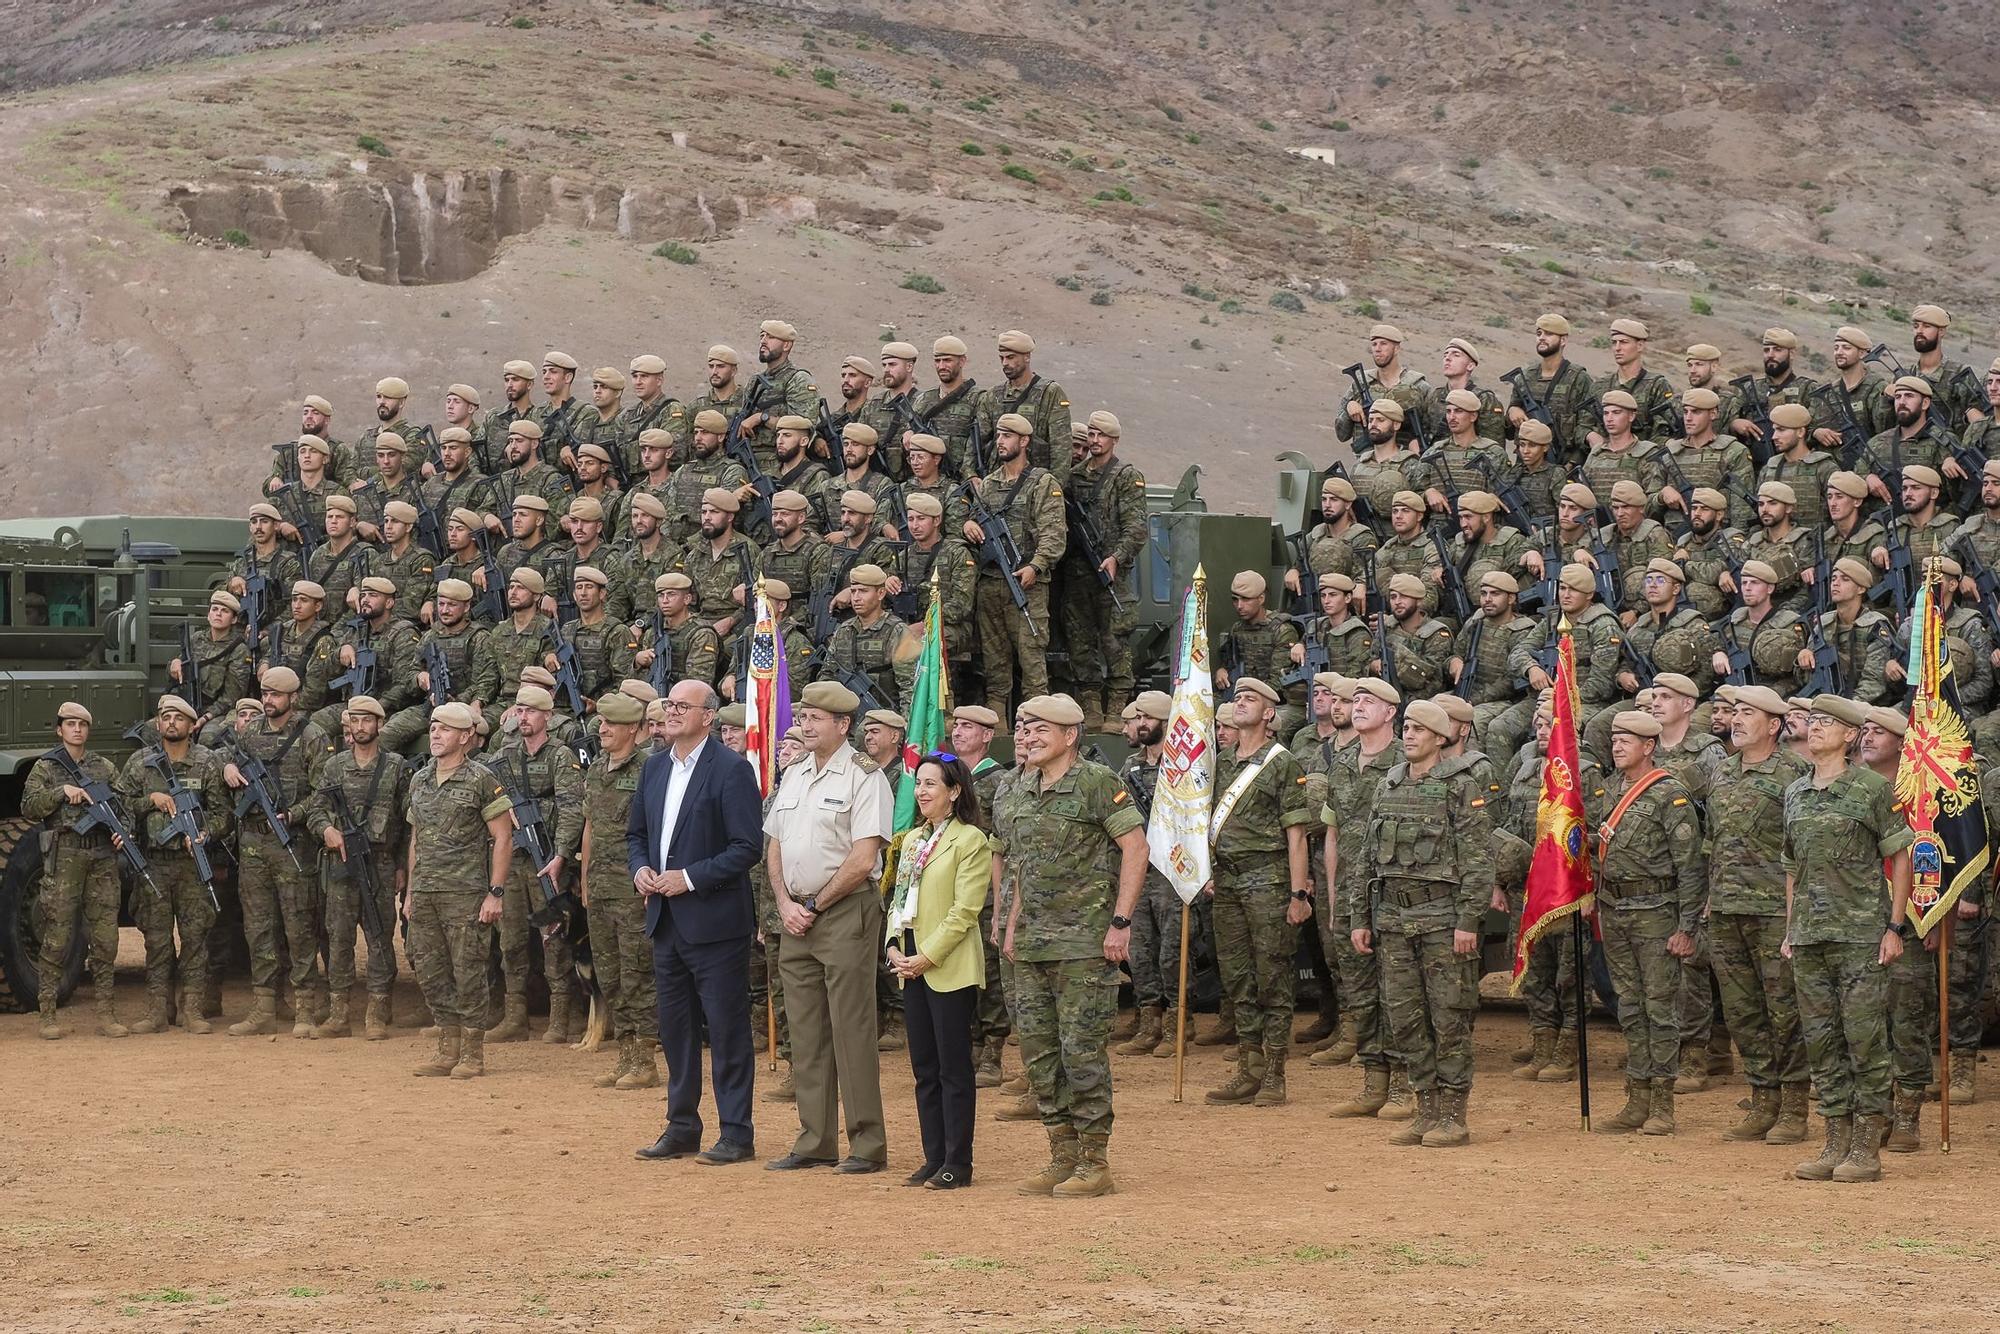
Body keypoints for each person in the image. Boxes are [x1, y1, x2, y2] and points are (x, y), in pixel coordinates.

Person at [995, 693, 1149, 1198]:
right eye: (1022, 727)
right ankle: (1061, 1153)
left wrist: (1121, 922)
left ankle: (1094, 1160)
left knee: (1081, 1053)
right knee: (1038, 1056)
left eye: (1040, 729)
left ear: (1070, 736)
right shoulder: (1014, 787)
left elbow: (1135, 847)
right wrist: (1008, 924)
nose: (1027, 736)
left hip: (1083, 943)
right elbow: (1014, 864)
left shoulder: (1097, 783)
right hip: (1030, 945)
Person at [626, 680, 764, 1165]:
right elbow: (637, 834)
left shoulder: (731, 771)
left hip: (716, 923)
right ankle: (681, 1125)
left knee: (727, 1031)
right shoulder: (654, 767)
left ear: (709, 716)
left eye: (683, 706)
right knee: (676, 1029)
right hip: (665, 922)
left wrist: (688, 877)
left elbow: (747, 848)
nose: (672, 712)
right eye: (669, 705)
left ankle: (736, 1133)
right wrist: (639, 868)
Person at [764, 681, 894, 1172]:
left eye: (817, 718)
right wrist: (785, 902)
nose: (805, 724)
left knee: (851, 1029)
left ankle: (866, 1144)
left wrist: (815, 904)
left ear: (844, 725)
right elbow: (774, 843)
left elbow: (864, 859)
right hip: (795, 915)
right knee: (806, 1031)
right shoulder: (794, 772)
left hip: (843, 913)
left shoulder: (865, 777)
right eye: (803, 716)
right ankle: (815, 1140)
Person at [1782, 694, 1913, 1183]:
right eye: (1812, 721)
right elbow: (1791, 866)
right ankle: (1834, 1138)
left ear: (1851, 735)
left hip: (1860, 935)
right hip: (1810, 937)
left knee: (1864, 1040)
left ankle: (1865, 1145)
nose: (1815, 728)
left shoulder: (1871, 789)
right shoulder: (1795, 792)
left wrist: (1895, 927)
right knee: (1821, 1040)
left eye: (1827, 723)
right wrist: (1791, 928)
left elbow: (1899, 858)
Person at [1355, 698, 1495, 1146]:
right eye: (1408, 728)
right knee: (1405, 1018)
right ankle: (1426, 1107)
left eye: (1419, 729)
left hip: (1442, 920)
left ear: (1440, 738)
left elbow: (1478, 861)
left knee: (1448, 1016)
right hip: (1393, 919)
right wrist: (1361, 916)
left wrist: (1469, 921)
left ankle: (1453, 1113)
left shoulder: (1460, 786)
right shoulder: (1389, 784)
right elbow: (1366, 859)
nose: (1410, 735)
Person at [884, 753, 993, 1189]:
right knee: (924, 1068)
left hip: (946, 967)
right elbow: (898, 898)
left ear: (955, 792)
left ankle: (958, 1162)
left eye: (932, 784)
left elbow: (965, 911)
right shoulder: (912, 840)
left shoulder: (971, 841)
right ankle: (933, 1157)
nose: (923, 791)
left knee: (953, 1069)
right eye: (920, 783)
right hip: (909, 965)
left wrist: (925, 955)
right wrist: (893, 944)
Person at [403, 702, 514, 1078]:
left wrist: (495, 892)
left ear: (466, 737)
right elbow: (416, 837)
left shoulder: (482, 779)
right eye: (433, 728)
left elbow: (502, 838)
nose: (436, 735)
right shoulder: (419, 779)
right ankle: (446, 1047)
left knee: (468, 973)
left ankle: (472, 1053)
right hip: (426, 892)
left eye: (445, 729)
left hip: (465, 894)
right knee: (431, 972)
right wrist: (410, 893)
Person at [24, 702, 129, 1039]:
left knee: (106, 938)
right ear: (59, 730)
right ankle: (47, 1015)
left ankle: (106, 1013)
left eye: (82, 724)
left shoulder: (105, 768)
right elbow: (28, 807)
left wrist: (120, 832)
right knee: (56, 935)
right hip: (66, 855)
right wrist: (61, 792)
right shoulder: (46, 766)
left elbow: (125, 808)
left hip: (101, 857)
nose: (77, 730)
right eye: (70, 724)